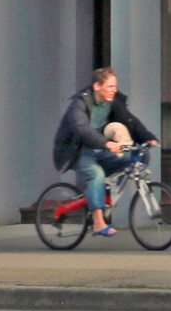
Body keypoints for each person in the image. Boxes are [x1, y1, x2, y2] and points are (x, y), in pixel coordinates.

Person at [52, 68, 157, 238]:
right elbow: (82, 129)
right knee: (96, 174)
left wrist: (148, 137)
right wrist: (106, 143)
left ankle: (105, 194)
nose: (114, 90)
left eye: (115, 86)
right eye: (110, 86)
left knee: (134, 157)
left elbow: (130, 120)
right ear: (97, 86)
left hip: (101, 148)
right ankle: (99, 223)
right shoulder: (79, 103)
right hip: (78, 152)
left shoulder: (113, 101)